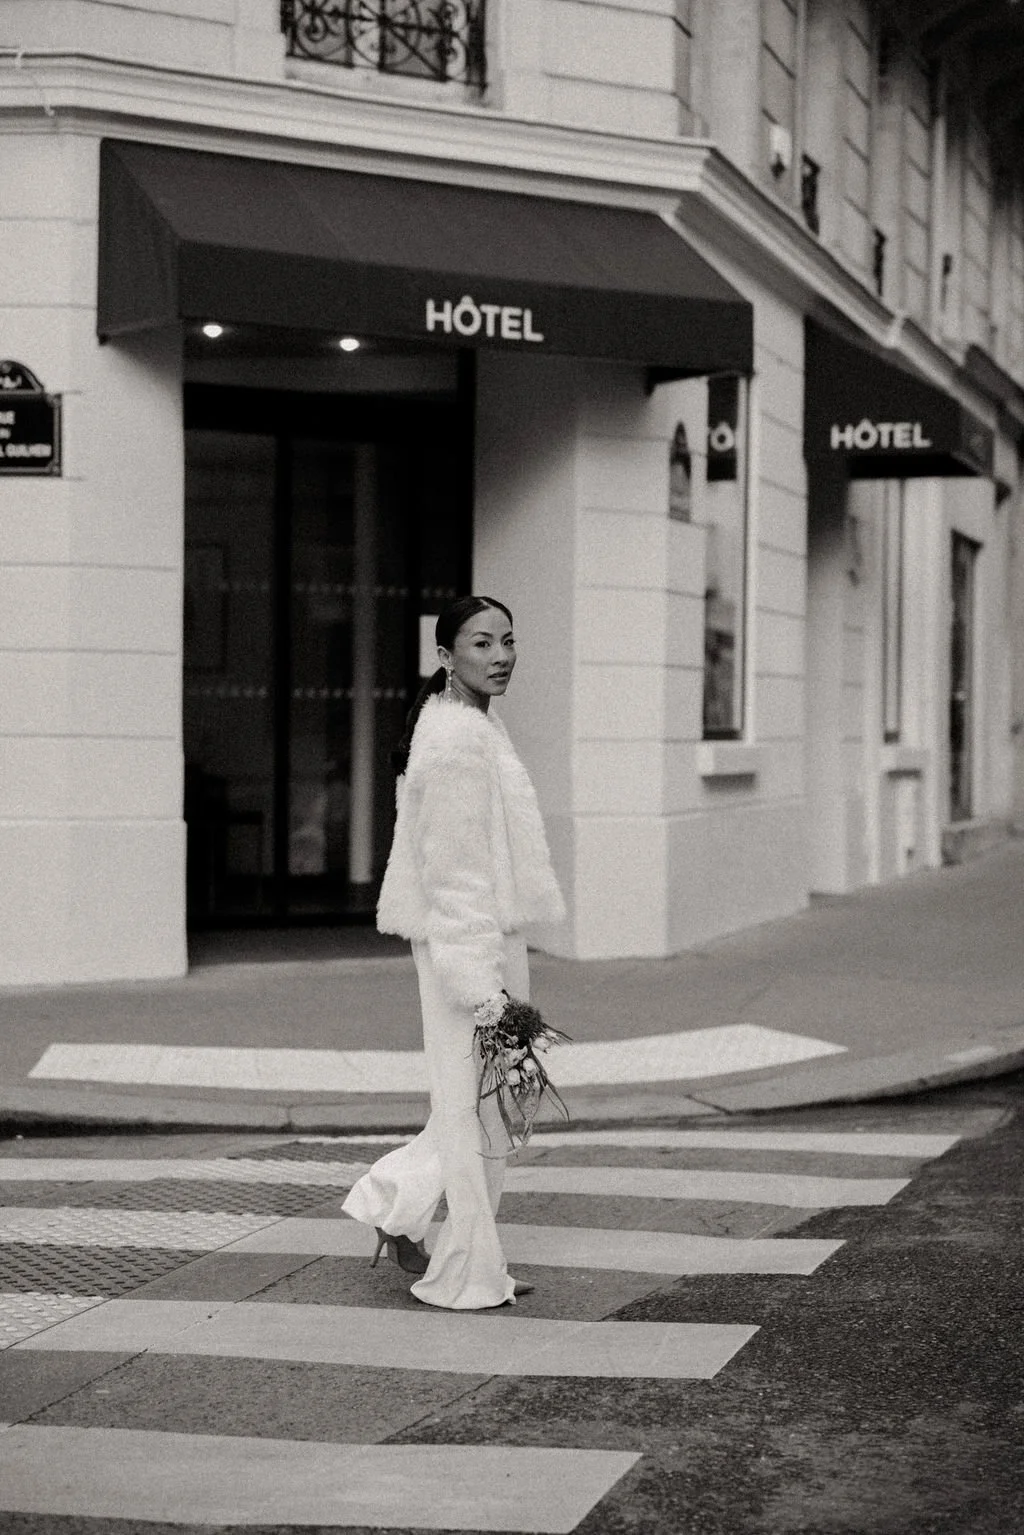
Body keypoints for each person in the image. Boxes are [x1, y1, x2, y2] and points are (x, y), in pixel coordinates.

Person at [342, 595, 565, 1309]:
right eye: (480, 643)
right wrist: (483, 988)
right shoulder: (456, 739)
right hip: (464, 943)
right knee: (475, 1111)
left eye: (508, 639)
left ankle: (396, 1205)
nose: (500, 655)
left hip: (485, 935)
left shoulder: (474, 723)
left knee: (478, 1107)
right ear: (445, 656)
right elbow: (455, 872)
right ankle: (467, 1270)